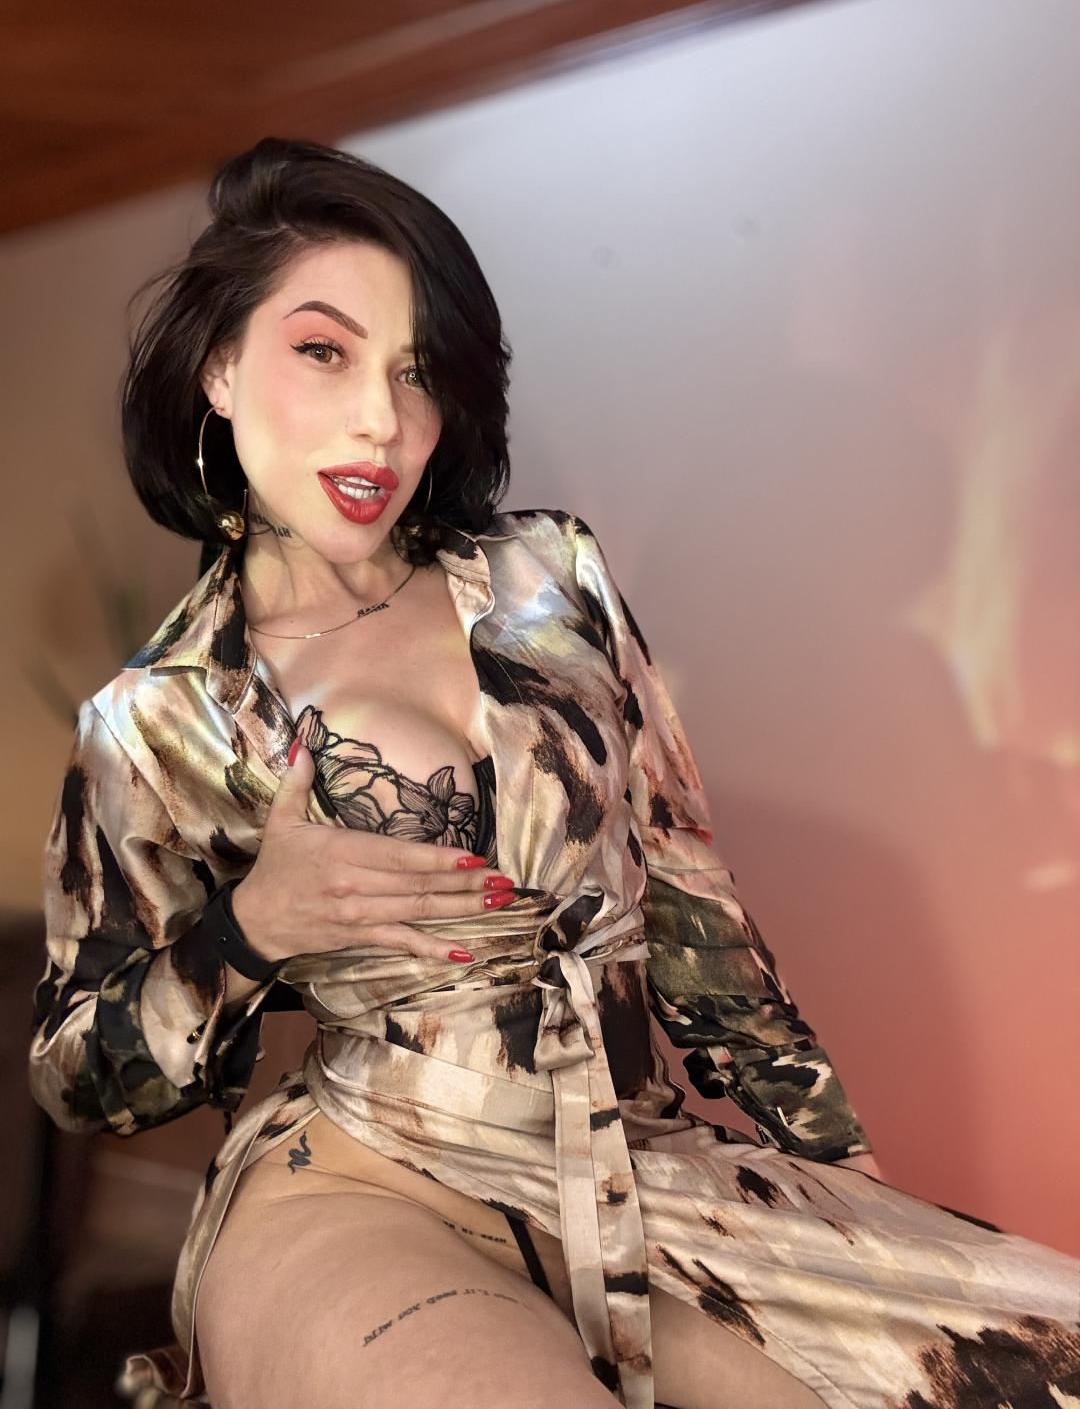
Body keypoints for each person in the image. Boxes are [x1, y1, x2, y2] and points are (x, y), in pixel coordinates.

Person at [29, 137, 1080, 1409]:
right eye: (325, 353)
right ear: (218, 367)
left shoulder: (550, 582)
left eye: (418, 371)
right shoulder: (159, 715)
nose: (382, 420)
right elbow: (78, 1073)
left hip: (638, 1164)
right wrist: (252, 929)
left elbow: (699, 927)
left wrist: (840, 1196)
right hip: (366, 1181)